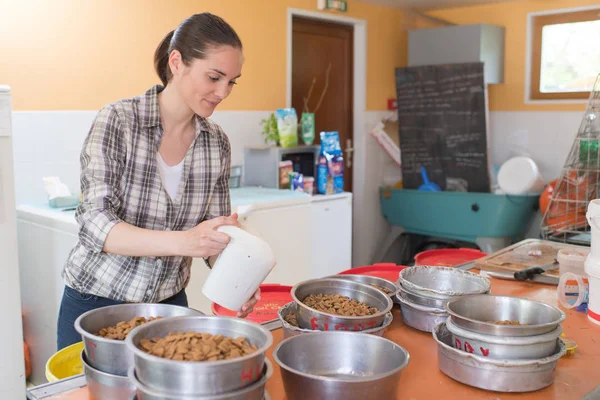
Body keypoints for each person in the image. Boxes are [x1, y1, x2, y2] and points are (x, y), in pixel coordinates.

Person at [56, 12, 260, 350]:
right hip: (97, 303)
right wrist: (184, 242)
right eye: (214, 77)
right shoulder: (119, 120)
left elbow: (212, 234)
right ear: (177, 62)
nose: (223, 92)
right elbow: (94, 224)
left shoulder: (216, 142)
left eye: (232, 81)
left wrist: (237, 277)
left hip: (169, 307)